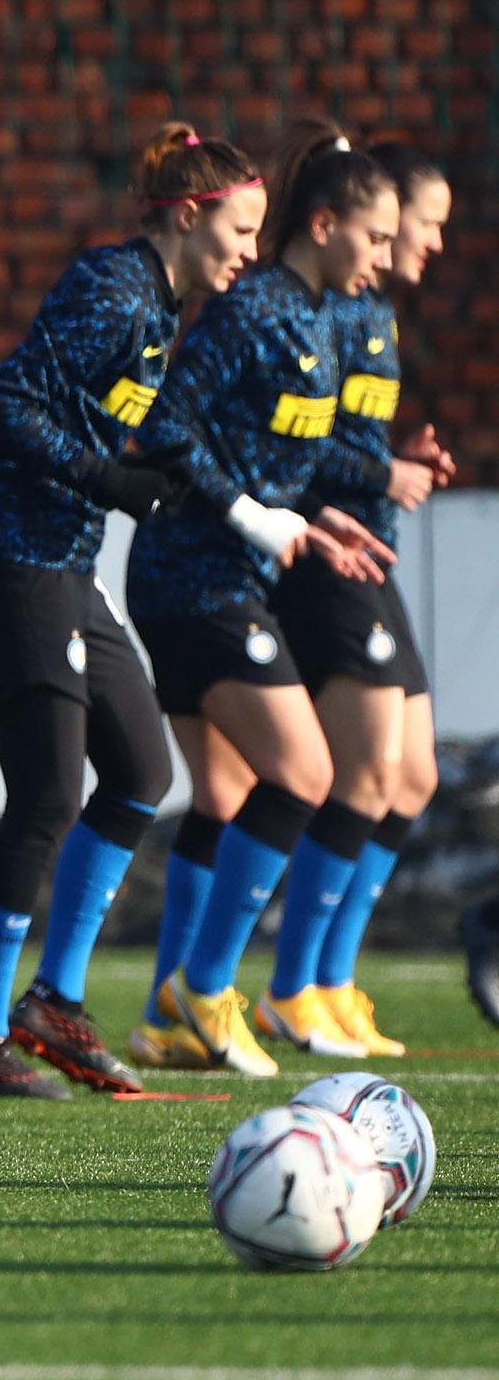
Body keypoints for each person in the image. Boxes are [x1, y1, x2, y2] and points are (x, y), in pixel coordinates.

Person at [0, 123, 260, 1098]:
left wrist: (226, 498)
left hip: (66, 567)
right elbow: (0, 404)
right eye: (242, 228)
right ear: (191, 216)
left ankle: (55, 1006)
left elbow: (130, 419)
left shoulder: (161, 308)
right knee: (45, 795)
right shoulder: (112, 288)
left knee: (140, 770)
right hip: (10, 560)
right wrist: (107, 477)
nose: (249, 249)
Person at [124, 123, 396, 1078]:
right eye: (379, 237)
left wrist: (325, 513)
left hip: (227, 575)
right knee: (307, 778)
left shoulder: (315, 315)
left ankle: (169, 1013)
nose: (390, 258)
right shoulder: (256, 310)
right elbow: (165, 418)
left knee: (233, 794)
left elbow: (283, 454)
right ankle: (205, 987)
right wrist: (250, 513)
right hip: (193, 575)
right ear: (324, 226)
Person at [258, 140, 454, 1058]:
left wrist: (399, 456)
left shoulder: (372, 313)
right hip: (325, 560)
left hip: (371, 552)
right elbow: (303, 441)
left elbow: (348, 432)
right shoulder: (318, 312)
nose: (427, 244)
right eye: (424, 225)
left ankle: (330, 980)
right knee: (364, 769)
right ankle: (294, 984)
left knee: (413, 777)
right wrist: (382, 467)